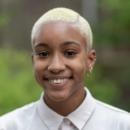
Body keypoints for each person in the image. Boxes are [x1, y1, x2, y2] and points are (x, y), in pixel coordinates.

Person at [0, 7, 130, 130]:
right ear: (33, 61)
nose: (56, 66)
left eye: (70, 53)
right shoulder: (9, 126)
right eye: (43, 54)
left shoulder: (121, 125)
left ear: (90, 60)